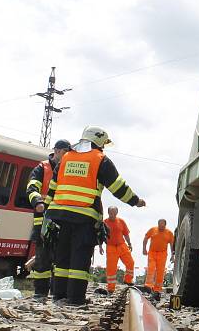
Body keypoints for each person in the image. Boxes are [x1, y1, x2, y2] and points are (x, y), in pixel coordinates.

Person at [43, 126, 145, 305]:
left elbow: (53, 186)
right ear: (98, 141)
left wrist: (47, 211)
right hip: (84, 216)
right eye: (103, 143)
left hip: (60, 215)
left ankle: (59, 295)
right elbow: (118, 187)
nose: (104, 148)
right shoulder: (100, 159)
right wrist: (135, 201)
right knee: (80, 257)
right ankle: (75, 298)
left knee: (63, 256)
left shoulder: (66, 157)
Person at [26, 139, 71, 300]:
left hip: (60, 219)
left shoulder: (67, 168)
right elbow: (31, 187)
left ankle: (57, 293)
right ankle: (40, 292)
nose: (67, 156)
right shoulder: (42, 168)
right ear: (57, 151)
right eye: (66, 152)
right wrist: (38, 202)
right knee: (42, 259)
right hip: (43, 220)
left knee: (59, 259)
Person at [100, 206, 134, 293]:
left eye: (114, 213)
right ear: (108, 213)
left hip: (122, 245)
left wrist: (129, 243)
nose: (113, 215)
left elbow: (126, 234)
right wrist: (100, 247)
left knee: (130, 262)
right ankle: (111, 288)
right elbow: (101, 236)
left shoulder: (121, 221)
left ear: (117, 213)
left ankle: (128, 280)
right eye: (111, 213)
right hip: (111, 247)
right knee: (111, 269)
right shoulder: (104, 222)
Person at [142, 219, 175, 299]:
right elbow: (146, 238)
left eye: (162, 226)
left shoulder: (169, 233)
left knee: (160, 272)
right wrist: (144, 249)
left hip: (162, 254)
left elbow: (171, 244)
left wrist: (172, 255)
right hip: (152, 253)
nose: (160, 227)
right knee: (151, 268)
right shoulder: (152, 230)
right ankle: (148, 286)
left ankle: (157, 290)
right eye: (159, 225)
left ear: (165, 225)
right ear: (158, 224)